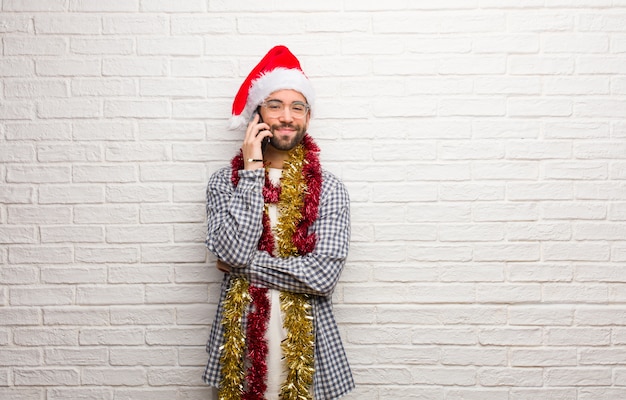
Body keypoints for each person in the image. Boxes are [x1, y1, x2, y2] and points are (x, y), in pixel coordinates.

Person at [202, 45, 354, 400]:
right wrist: (253, 171)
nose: (287, 116)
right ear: (256, 116)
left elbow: (322, 277)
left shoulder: (329, 189)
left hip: (310, 355)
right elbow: (232, 248)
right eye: (275, 105)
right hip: (238, 353)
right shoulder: (224, 184)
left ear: (308, 118)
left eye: (297, 107)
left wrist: (243, 266)